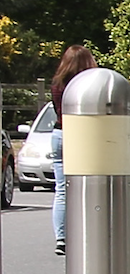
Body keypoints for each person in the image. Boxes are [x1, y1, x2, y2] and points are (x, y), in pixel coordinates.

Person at [49, 44, 97, 256]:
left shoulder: (57, 84)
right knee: (90, 186)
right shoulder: (89, 85)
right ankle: (87, 234)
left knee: (62, 190)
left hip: (59, 134)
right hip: (82, 135)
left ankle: (61, 238)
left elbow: (56, 109)